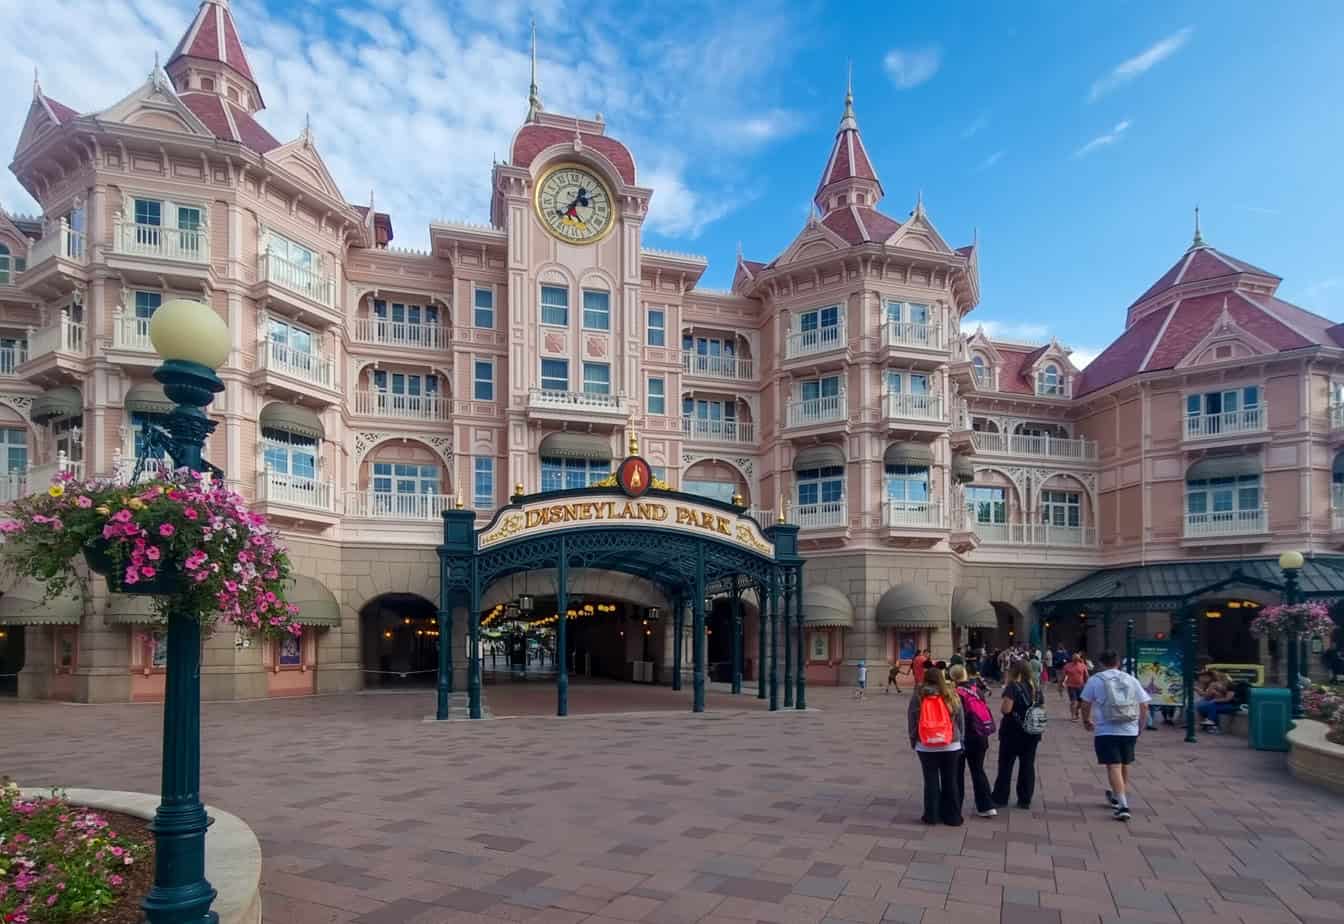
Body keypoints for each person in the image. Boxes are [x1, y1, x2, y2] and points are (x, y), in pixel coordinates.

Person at [1080, 650, 1151, 822]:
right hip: (1129, 728)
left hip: (1106, 728)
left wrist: (1087, 720)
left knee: (1113, 766)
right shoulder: (1131, 679)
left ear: (1101, 663)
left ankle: (1122, 805)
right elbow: (1144, 705)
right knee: (1124, 764)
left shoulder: (1096, 680)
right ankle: (1118, 795)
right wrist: (1140, 726)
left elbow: (1085, 703)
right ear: (1118, 662)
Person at [907, 666, 964, 826]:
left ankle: (931, 816)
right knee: (950, 779)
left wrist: (913, 740)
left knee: (930, 780)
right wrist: (961, 740)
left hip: (925, 744)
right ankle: (953, 817)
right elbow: (960, 719)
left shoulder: (918, 695)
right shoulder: (951, 693)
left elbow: (912, 720)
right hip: (950, 744)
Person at [992, 661, 1044, 810]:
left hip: (1012, 732)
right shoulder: (1036, 687)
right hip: (1032, 732)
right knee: (1027, 765)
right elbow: (1042, 708)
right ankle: (1025, 799)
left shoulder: (1013, 687)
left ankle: (1000, 797)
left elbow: (1006, 709)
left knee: (1006, 765)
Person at [950, 664, 996, 818]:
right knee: (978, 770)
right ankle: (987, 806)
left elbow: (955, 717)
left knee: (958, 773)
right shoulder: (977, 690)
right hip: (981, 736)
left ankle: (955, 807)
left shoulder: (955, 693)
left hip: (964, 738)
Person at [1062, 652, 1089, 720]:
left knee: (1081, 702)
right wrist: (1060, 685)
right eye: (1074, 658)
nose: (1076, 660)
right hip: (1071, 686)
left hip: (1081, 686)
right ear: (1072, 659)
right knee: (1073, 701)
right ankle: (1073, 715)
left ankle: (1076, 710)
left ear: (1079, 659)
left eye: (1077, 658)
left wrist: (1088, 685)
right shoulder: (1067, 666)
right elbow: (1063, 676)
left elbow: (1086, 676)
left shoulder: (1083, 666)